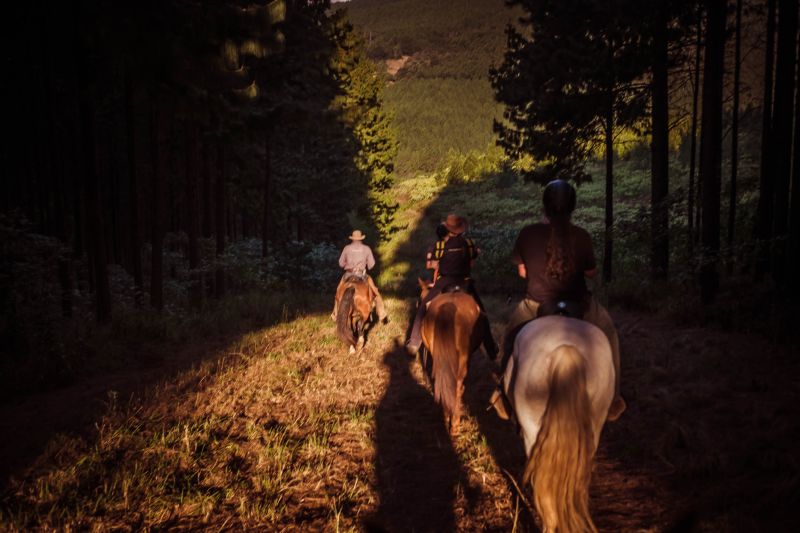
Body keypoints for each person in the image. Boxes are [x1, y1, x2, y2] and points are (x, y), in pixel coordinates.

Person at [494, 179, 626, 420]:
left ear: (544, 206)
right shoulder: (582, 236)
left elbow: (522, 272)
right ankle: (614, 399)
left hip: (535, 306)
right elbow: (591, 273)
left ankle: (503, 395)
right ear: (573, 207)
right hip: (580, 305)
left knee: (511, 337)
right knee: (608, 332)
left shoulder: (527, 233)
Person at [406, 214, 496, 357]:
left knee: (423, 307)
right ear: (461, 229)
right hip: (465, 282)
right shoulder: (470, 243)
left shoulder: (439, 245)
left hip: (444, 282)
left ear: (448, 229)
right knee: (482, 313)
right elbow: (473, 259)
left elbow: (433, 264)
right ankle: (491, 348)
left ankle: (414, 342)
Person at [332, 230, 388, 323]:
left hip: (348, 274)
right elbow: (371, 264)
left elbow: (341, 263)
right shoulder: (366, 249)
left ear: (352, 238)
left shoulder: (347, 248)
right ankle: (381, 312)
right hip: (362, 274)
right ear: (361, 238)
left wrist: (347, 263)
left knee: (338, 292)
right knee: (375, 291)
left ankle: (335, 312)